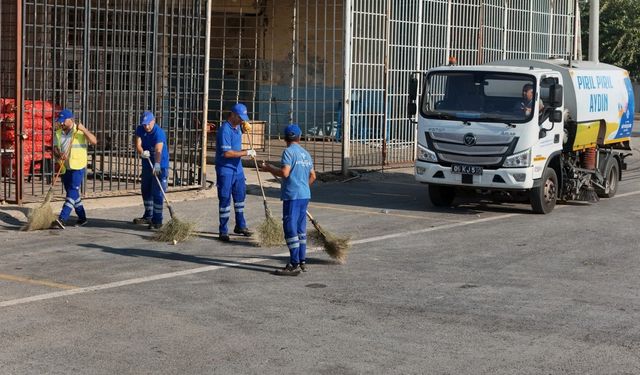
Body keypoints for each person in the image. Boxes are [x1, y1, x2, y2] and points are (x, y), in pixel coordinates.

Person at [260, 124, 316, 276]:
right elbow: (313, 176)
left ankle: (294, 263)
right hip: (304, 194)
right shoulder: (306, 153)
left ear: (285, 138)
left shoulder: (288, 152)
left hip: (292, 196)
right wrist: (303, 186)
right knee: (300, 229)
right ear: (299, 136)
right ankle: (302, 260)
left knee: (290, 228)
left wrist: (269, 168)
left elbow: (285, 172)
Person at [215, 103, 256, 242]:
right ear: (232, 115)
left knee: (240, 198)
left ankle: (240, 225)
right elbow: (227, 153)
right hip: (225, 169)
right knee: (225, 198)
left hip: (238, 169)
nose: (242, 120)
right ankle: (223, 231)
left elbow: (240, 132)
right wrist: (247, 152)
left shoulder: (239, 127)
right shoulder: (224, 130)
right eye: (240, 118)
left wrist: (245, 129)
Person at [52, 108, 98, 229]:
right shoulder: (58, 132)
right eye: (60, 121)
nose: (61, 123)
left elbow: (94, 141)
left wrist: (84, 130)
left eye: (63, 121)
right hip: (65, 167)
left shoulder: (79, 131)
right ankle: (82, 218)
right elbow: (55, 148)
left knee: (72, 191)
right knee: (73, 194)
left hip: (78, 166)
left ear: (71, 120)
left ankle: (62, 218)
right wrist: (59, 154)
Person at [134, 111, 170, 230]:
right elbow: (138, 144)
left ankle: (157, 220)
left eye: (148, 124)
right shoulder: (140, 129)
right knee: (146, 189)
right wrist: (141, 152)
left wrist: (157, 164)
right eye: (144, 124)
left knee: (157, 191)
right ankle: (148, 215)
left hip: (160, 164)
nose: (146, 126)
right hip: (147, 164)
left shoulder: (159, 133)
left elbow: (158, 149)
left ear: (153, 121)